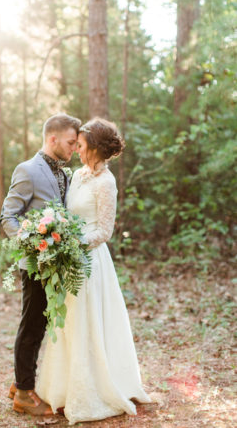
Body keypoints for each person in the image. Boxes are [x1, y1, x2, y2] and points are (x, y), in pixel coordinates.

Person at [35, 117, 151, 424]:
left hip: (91, 263)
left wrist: (73, 242)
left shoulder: (106, 182)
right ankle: (62, 388)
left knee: (90, 322)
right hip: (69, 260)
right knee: (69, 322)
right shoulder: (77, 176)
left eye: (81, 145)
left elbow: (104, 230)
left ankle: (96, 390)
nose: (77, 149)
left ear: (95, 148)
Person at [0, 113, 81, 416]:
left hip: (58, 262)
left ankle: (20, 381)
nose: (74, 148)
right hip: (35, 260)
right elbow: (8, 214)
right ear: (53, 138)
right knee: (32, 323)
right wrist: (31, 239)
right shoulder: (27, 170)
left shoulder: (67, 174)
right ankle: (23, 393)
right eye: (71, 142)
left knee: (44, 322)